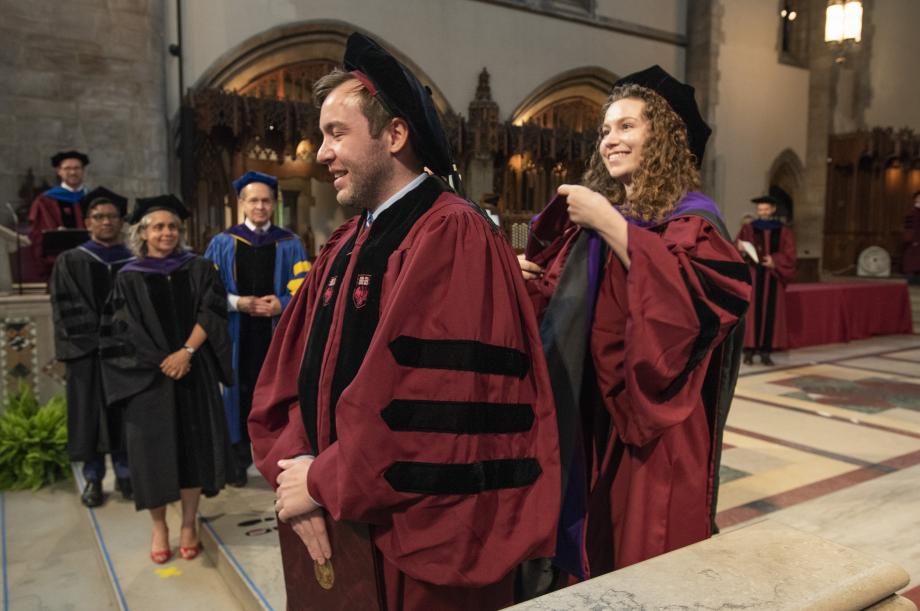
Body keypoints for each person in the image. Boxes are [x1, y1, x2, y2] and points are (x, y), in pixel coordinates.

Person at [248, 33, 559, 610]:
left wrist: (321, 482)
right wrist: (293, 474)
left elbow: (434, 402)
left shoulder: (453, 235)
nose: (320, 153)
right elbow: (285, 372)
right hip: (335, 519)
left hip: (414, 539)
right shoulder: (348, 240)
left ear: (395, 135)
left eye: (336, 134)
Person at [518, 65, 751, 579]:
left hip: (656, 426)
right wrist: (520, 269)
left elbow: (695, 311)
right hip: (592, 419)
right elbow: (554, 291)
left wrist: (610, 223)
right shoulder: (603, 217)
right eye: (605, 130)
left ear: (664, 137)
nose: (610, 140)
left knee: (644, 553)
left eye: (627, 126)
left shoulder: (694, 223)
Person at [100, 195, 232, 564]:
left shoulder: (200, 267)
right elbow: (122, 331)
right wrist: (164, 360)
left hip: (193, 373)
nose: (167, 233)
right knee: (151, 455)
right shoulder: (127, 278)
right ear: (142, 232)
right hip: (147, 381)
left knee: (193, 451)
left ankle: (189, 523)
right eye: (158, 226)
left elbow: (212, 311)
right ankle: (160, 527)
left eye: (172, 226)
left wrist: (185, 353)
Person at [204, 171, 310, 487]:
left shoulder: (290, 244)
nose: (260, 206)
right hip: (236, 334)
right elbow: (207, 292)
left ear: (273, 203)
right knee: (237, 394)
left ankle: (275, 460)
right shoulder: (222, 243)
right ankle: (237, 462)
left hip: (276, 332)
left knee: (275, 394)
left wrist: (280, 303)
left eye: (266, 200)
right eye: (254, 200)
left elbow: (304, 289)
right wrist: (238, 303)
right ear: (242, 203)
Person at [50, 187, 135, 507]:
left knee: (125, 416)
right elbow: (65, 310)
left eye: (112, 216)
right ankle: (94, 479)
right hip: (86, 356)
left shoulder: (134, 261)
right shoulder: (70, 261)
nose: (106, 222)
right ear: (87, 223)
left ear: (121, 222)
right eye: (99, 217)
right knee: (90, 418)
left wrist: (123, 342)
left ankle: (127, 476)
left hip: (127, 356)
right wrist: (98, 342)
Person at [735, 195, 796, 365]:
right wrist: (740, 248)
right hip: (754, 275)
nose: (763, 213)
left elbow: (790, 253)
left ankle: (765, 352)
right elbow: (736, 248)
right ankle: (748, 351)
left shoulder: (783, 230)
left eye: (766, 209)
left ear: (773, 210)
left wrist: (775, 261)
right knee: (752, 313)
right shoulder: (748, 228)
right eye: (760, 210)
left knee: (771, 313)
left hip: (772, 276)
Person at [29, 151, 90, 280]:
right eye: (67, 168)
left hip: (91, 258)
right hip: (60, 258)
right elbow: (39, 231)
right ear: (59, 171)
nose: (73, 172)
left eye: (77, 168)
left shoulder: (94, 197)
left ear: (83, 171)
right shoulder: (45, 200)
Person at [902, 191, 920, 285]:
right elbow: (910, 227)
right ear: (916, 199)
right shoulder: (912, 212)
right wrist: (913, 240)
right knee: (912, 263)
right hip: (914, 242)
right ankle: (911, 282)